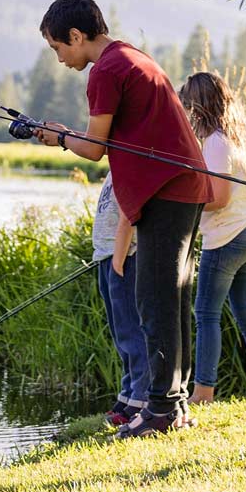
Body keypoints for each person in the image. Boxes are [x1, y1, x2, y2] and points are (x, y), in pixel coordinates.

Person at [32, 0, 212, 437]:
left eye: (58, 48)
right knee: (173, 297)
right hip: (183, 188)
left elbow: (93, 148)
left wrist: (59, 137)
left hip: (166, 192)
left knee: (155, 301)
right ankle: (175, 403)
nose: (59, 59)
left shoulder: (106, 70)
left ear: (76, 35)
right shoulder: (132, 56)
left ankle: (162, 410)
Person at [178, 71, 246, 402]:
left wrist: (182, 204)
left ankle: (203, 392)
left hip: (226, 237)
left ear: (198, 106)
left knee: (206, 313)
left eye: (187, 107)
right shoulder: (242, 138)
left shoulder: (216, 142)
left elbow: (217, 198)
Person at [90, 172, 147, 426]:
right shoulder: (114, 166)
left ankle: (140, 398)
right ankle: (128, 393)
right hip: (106, 256)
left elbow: (129, 215)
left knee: (131, 331)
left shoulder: (128, 163)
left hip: (123, 257)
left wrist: (118, 260)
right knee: (119, 332)